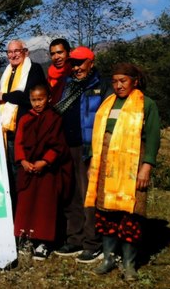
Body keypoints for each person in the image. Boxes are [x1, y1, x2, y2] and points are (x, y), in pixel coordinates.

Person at [85, 63, 160, 281]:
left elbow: (153, 138)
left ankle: (129, 264)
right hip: (105, 165)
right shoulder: (107, 104)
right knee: (106, 212)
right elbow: (97, 135)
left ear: (135, 81)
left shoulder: (146, 105)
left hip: (132, 166)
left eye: (123, 81)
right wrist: (92, 163)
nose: (118, 86)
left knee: (130, 214)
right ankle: (109, 259)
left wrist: (147, 166)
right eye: (115, 81)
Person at [53, 46, 110, 263]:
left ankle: (92, 243)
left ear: (91, 63)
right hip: (67, 146)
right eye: (73, 64)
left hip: (89, 148)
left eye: (80, 63)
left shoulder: (101, 86)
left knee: (88, 195)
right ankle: (74, 239)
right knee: (71, 194)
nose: (76, 68)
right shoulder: (68, 86)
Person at [13, 84, 72, 260]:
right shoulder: (25, 118)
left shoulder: (54, 118)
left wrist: (45, 162)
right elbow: (18, 142)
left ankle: (44, 243)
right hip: (27, 168)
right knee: (25, 204)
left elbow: (58, 145)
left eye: (41, 99)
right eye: (33, 100)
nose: (37, 103)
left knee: (45, 206)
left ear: (49, 99)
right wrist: (22, 160)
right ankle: (26, 239)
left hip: (47, 171)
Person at [0, 39, 46, 181]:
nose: (13, 55)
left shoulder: (34, 69)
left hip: (27, 130)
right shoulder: (7, 73)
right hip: (9, 131)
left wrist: (4, 96)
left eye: (17, 51)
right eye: (10, 52)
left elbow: (29, 96)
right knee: (11, 170)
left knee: (26, 171)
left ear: (25, 52)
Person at [47, 38, 72, 104]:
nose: (56, 57)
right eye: (53, 54)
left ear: (69, 52)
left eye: (60, 52)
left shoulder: (76, 73)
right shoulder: (49, 78)